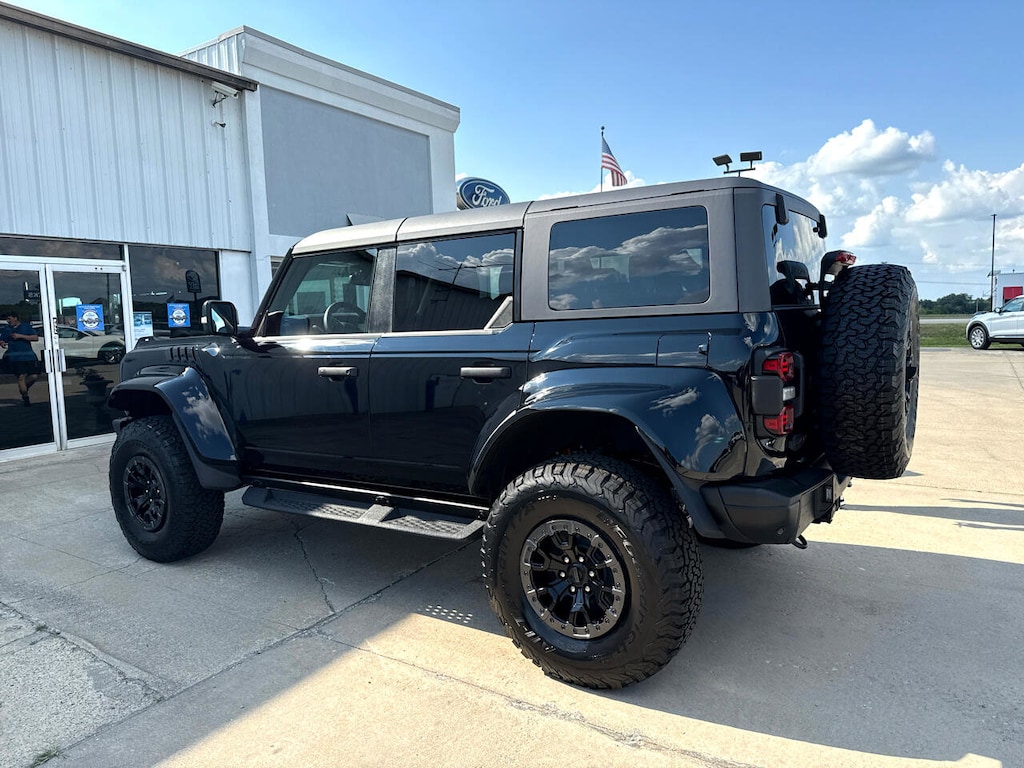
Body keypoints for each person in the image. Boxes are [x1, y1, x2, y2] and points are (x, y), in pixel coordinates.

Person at [1, 310, 40, 406]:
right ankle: (25, 397)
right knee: (21, 377)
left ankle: (24, 388)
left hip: (28, 355)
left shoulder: (26, 327)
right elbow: (2, 339)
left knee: (34, 376)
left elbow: (35, 338)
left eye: (9, 319)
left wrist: (20, 336)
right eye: (7, 319)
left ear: (15, 318)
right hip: (15, 357)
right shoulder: (6, 329)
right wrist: (2, 343)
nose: (8, 321)